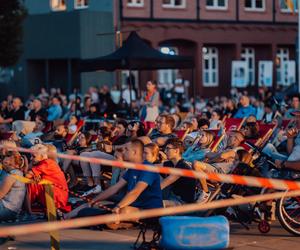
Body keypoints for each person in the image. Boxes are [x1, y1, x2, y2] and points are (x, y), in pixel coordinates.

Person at [66, 139, 163, 227]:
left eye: (126, 149)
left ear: (134, 152)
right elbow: (115, 188)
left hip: (149, 211)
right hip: (132, 206)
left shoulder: (148, 168)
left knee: (123, 211)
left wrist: (118, 206)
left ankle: (115, 221)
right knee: (94, 203)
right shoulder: (131, 169)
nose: (123, 152)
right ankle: (66, 217)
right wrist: (95, 200)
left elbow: (136, 191)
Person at [26, 144, 70, 212]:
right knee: (34, 181)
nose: (31, 158)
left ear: (42, 156)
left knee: (31, 183)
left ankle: (25, 205)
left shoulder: (47, 163)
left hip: (57, 199)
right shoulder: (46, 162)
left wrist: (28, 164)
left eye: (33, 156)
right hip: (55, 195)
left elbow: (26, 175)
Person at [161, 138, 197, 206]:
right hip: (171, 195)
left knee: (154, 203)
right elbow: (153, 167)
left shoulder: (183, 167)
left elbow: (163, 184)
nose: (165, 151)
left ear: (176, 151)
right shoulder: (171, 163)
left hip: (182, 203)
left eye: (168, 149)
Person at [0, 152, 26, 221]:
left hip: (6, 210)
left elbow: (0, 194)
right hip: (12, 210)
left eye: (6, 163)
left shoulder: (12, 176)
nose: (3, 165)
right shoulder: (19, 173)